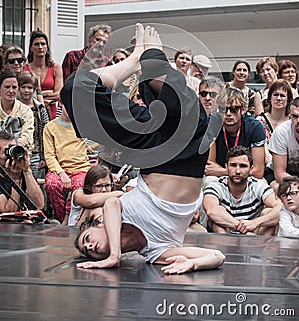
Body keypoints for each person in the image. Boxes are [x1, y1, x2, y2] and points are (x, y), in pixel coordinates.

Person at [61, 24, 224, 274]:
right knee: (185, 111)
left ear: (95, 225)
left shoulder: (115, 210)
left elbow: (110, 206)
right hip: (189, 153)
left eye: (86, 240)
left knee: (75, 90)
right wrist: (194, 263)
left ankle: (137, 59)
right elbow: (216, 255)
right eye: (88, 250)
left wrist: (114, 255)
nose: (90, 247)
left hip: (152, 152)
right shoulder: (157, 251)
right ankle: (151, 61)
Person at [203, 146, 281, 235]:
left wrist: (255, 223)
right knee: (215, 218)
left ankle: (260, 247)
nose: (238, 171)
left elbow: (280, 208)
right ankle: (225, 248)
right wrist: (242, 227)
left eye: (243, 166)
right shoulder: (216, 185)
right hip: (227, 233)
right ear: (226, 167)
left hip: (255, 234)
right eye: (233, 165)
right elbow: (211, 210)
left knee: (268, 213)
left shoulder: (257, 185)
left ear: (251, 169)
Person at [43, 101, 90, 224]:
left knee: (79, 185)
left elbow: (93, 147)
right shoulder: (50, 127)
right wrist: (62, 173)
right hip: (59, 169)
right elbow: (49, 156)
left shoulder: (83, 125)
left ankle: (68, 219)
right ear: (61, 104)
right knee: (52, 184)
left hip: (81, 168)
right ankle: (61, 217)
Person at [205, 87, 266, 179]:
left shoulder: (254, 127)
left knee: (262, 185)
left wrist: (227, 171)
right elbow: (209, 167)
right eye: (224, 109)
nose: (228, 113)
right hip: (218, 177)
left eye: (234, 109)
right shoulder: (212, 123)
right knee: (209, 180)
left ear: (243, 109)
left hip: (247, 177)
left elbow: (258, 172)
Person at [256, 79, 293, 188]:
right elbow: (265, 153)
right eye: (275, 94)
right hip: (268, 168)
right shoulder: (259, 122)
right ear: (269, 98)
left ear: (288, 100)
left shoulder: (293, 121)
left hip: (290, 167)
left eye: (282, 95)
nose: (278, 98)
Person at [0, 131, 44, 213]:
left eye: (13, 148)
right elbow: (8, 215)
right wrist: (16, 180)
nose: (12, 156)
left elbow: (39, 205)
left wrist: (27, 171)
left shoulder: (22, 170)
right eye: (7, 151)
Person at [25, 31, 63, 120]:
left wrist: (36, 95)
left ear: (47, 47)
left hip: (52, 112)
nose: (40, 47)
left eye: (43, 44)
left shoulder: (56, 68)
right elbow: (22, 93)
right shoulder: (24, 69)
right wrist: (47, 93)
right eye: (36, 44)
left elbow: (59, 94)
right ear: (31, 48)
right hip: (30, 111)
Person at [18, 72, 49, 180]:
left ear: (34, 90)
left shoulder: (40, 109)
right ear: (18, 89)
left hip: (36, 154)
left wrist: (43, 157)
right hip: (19, 152)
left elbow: (45, 134)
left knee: (34, 184)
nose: (26, 90)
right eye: (23, 87)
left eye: (30, 88)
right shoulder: (15, 108)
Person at [0, 70, 34, 149]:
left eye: (14, 87)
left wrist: (17, 147)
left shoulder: (26, 111)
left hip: (20, 154)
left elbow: (27, 136)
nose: (11, 91)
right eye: (7, 87)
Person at [268, 97, 299, 183]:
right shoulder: (281, 133)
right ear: (290, 116)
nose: (298, 121)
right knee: (279, 188)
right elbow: (280, 174)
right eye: (295, 116)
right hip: (277, 175)